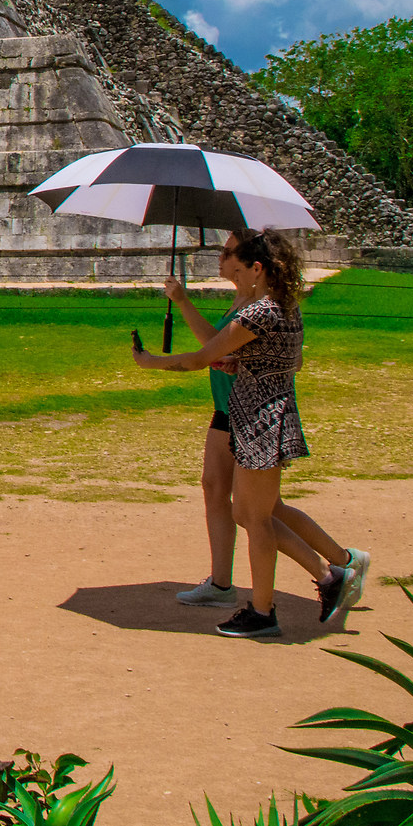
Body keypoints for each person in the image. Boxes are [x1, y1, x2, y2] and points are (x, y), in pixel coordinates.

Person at [133, 229, 368, 639]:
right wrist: (241, 367)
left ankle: (270, 607)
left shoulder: (259, 311)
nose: (232, 276)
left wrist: (151, 362)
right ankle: (327, 574)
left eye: (237, 268)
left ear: (257, 268)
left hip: (260, 418)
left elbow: (199, 359)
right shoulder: (282, 308)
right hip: (261, 414)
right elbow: (284, 363)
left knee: (256, 518)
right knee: (249, 513)